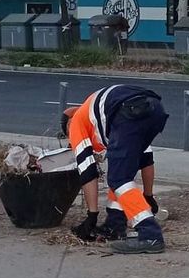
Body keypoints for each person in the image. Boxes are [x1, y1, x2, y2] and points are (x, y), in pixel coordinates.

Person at [64, 84, 168, 254]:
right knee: (121, 173)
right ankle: (115, 224)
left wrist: (92, 215)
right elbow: (146, 158)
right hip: (154, 108)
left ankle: (150, 234)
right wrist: (148, 195)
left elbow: (88, 173)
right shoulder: (97, 113)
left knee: (118, 179)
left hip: (129, 113)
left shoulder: (76, 123)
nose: (71, 142)